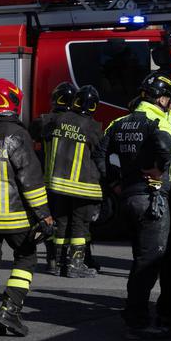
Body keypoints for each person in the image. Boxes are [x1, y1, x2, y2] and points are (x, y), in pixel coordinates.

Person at [0, 78, 53, 338]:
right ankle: (9, 309)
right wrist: (44, 215)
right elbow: (29, 179)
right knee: (27, 257)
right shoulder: (17, 134)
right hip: (15, 216)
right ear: (13, 101)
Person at [102, 72, 171, 338]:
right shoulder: (162, 122)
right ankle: (138, 320)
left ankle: (136, 313)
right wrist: (160, 168)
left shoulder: (117, 122)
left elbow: (101, 156)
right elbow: (165, 147)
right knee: (151, 262)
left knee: (140, 259)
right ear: (162, 97)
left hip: (127, 199)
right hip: (153, 200)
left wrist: (115, 184)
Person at [44, 85, 105, 278]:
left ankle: (58, 263)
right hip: (83, 187)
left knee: (61, 223)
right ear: (94, 106)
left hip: (58, 186)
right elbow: (99, 154)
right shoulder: (93, 127)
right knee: (80, 224)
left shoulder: (59, 120)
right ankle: (75, 266)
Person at [30, 81, 78, 275]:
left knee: (51, 221)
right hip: (73, 181)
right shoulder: (79, 122)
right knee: (72, 222)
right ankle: (69, 261)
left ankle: (52, 259)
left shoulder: (43, 121)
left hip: (48, 180)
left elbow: (33, 140)